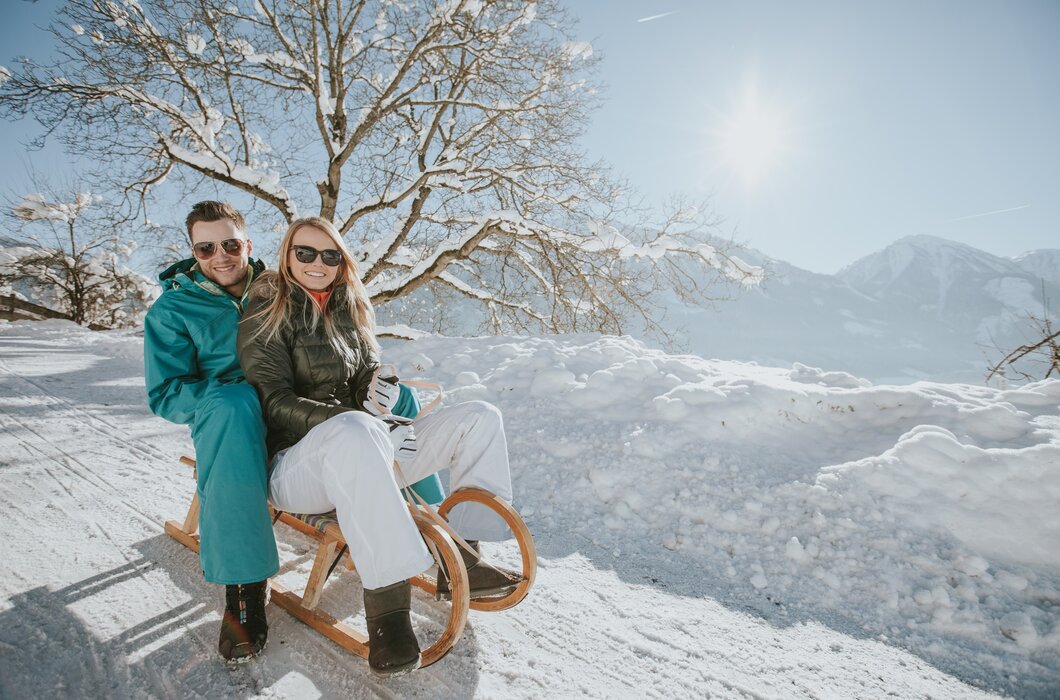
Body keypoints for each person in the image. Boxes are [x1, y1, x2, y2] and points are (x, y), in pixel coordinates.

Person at [236, 216, 521, 676]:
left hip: (364, 449)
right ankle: (388, 614)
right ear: (288, 256)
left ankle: (463, 561)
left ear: (341, 262)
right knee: (355, 430)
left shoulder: (350, 312)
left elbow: (365, 380)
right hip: (297, 467)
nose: (317, 263)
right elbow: (274, 401)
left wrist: (378, 391)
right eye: (304, 253)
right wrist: (358, 420)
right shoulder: (268, 310)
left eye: (330, 255)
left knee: (480, 418)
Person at [143, 201, 279, 662]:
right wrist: (221, 400)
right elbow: (166, 391)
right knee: (236, 407)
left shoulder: (278, 289)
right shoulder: (173, 309)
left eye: (230, 244)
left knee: (390, 397)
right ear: (193, 252)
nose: (220, 255)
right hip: (228, 418)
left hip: (289, 406)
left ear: (248, 244)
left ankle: (442, 534)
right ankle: (244, 591)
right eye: (206, 247)